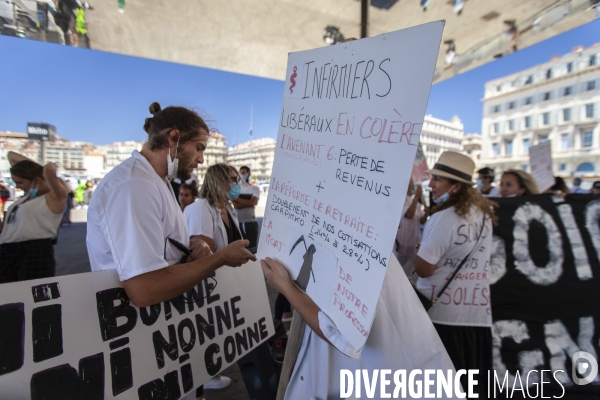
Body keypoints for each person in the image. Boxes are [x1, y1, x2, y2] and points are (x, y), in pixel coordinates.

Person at [86, 103, 255, 400]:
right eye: (199, 148)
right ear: (174, 139)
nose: (201, 160)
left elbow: (161, 247)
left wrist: (192, 249)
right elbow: (143, 289)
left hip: (162, 333)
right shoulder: (132, 186)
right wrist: (219, 258)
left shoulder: (158, 181)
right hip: (137, 334)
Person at [414, 150, 496, 397]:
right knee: (470, 388)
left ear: (457, 186)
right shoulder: (484, 216)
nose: (431, 184)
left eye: (438, 179)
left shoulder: (442, 218)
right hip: (477, 316)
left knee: (442, 388)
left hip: (442, 316)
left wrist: (422, 251)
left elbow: (424, 269)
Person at [183, 163, 244, 394]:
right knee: (202, 333)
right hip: (205, 285)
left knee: (215, 332)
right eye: (231, 179)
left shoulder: (228, 207)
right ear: (217, 181)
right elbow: (202, 254)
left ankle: (210, 372)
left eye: (236, 179)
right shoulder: (201, 208)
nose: (235, 184)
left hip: (225, 282)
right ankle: (199, 380)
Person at [0, 153, 67, 283]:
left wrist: (45, 171)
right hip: (8, 250)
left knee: (30, 297)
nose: (17, 187)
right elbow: (11, 155)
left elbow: (48, 170)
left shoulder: (53, 198)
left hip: (34, 250)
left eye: (20, 182)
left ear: (36, 180)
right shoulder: (25, 198)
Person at [393, 177, 429, 279]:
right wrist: (416, 197)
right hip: (402, 243)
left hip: (413, 242)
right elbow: (408, 215)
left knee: (408, 271)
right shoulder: (402, 200)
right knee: (399, 271)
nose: (414, 186)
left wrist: (426, 214)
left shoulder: (416, 204)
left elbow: (421, 221)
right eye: (412, 185)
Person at [232, 166, 260, 252]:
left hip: (250, 222)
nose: (241, 175)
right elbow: (235, 205)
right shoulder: (235, 189)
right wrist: (249, 203)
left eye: (244, 173)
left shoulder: (255, 188)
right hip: (237, 222)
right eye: (240, 173)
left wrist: (237, 199)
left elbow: (253, 202)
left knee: (252, 248)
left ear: (249, 174)